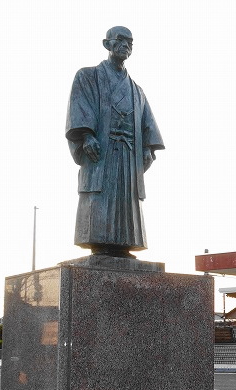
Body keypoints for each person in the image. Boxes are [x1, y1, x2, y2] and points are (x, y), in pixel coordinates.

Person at [66, 26, 165, 258]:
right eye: (120, 40)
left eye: (130, 42)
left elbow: (148, 124)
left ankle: (124, 245)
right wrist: (86, 135)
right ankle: (99, 244)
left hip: (129, 157)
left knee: (127, 203)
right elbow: (79, 108)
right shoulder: (87, 76)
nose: (126, 45)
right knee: (99, 197)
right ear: (106, 43)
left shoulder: (137, 91)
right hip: (101, 152)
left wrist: (148, 148)